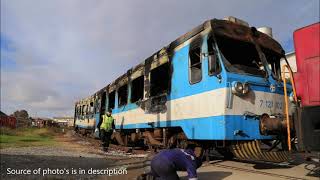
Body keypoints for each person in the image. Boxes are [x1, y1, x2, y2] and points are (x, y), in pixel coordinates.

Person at [139, 145, 203, 180]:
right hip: (165, 164)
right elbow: (193, 178)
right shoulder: (192, 161)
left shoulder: (186, 152)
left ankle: (146, 177)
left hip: (154, 160)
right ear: (196, 163)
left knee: (159, 174)